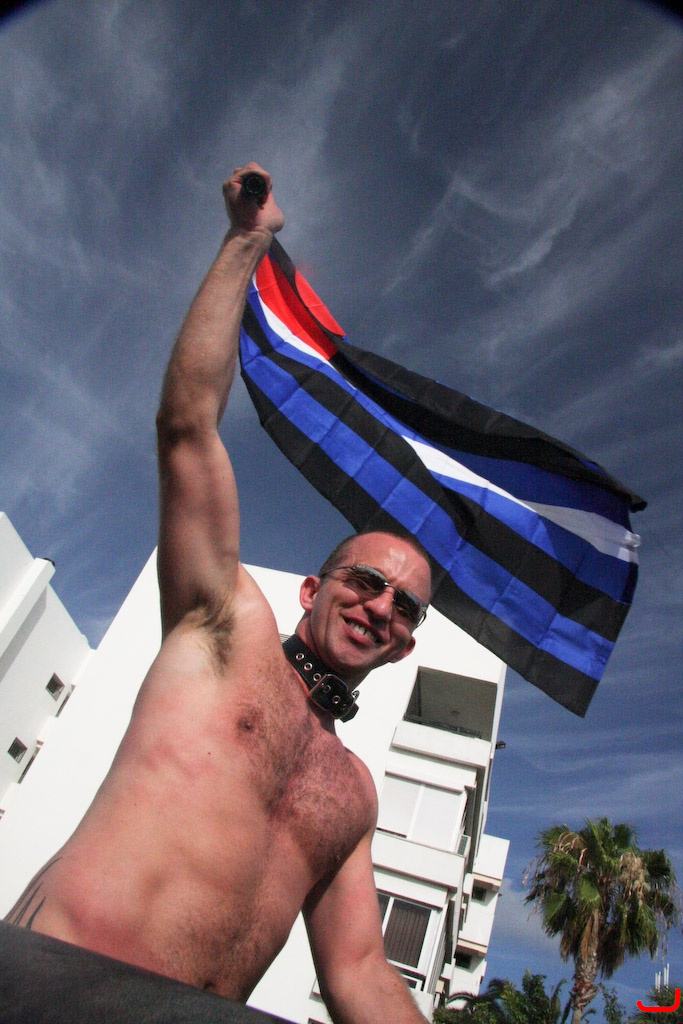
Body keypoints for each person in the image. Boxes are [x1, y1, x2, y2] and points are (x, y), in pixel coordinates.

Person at [4, 164, 433, 1024]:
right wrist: (247, 240)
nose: (380, 606)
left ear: (404, 645)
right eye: (366, 580)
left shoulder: (353, 792)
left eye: (404, 608)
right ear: (313, 588)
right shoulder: (225, 629)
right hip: (53, 985)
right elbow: (186, 428)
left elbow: (359, 973)